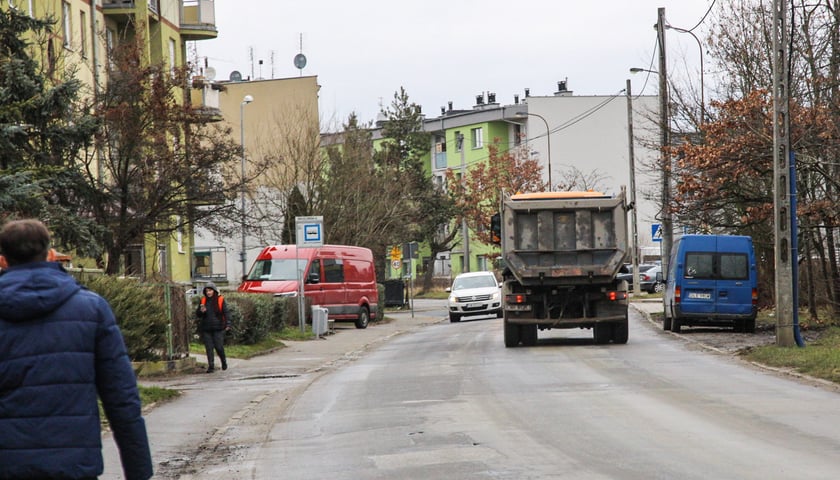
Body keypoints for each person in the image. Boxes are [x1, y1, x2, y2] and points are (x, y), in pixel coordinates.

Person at [0, 219, 153, 480]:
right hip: (73, 465)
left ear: (3, 260)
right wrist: (139, 471)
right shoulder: (91, 308)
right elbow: (121, 397)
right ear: (50, 255)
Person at [196, 281, 230, 372]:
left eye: (210, 290)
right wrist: (201, 311)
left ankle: (223, 361)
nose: (208, 293)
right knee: (209, 348)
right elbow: (198, 314)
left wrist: (228, 324)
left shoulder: (220, 300)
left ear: (214, 291)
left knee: (219, 347)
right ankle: (211, 366)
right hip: (206, 328)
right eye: (207, 291)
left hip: (218, 327)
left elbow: (226, 312)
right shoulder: (203, 300)